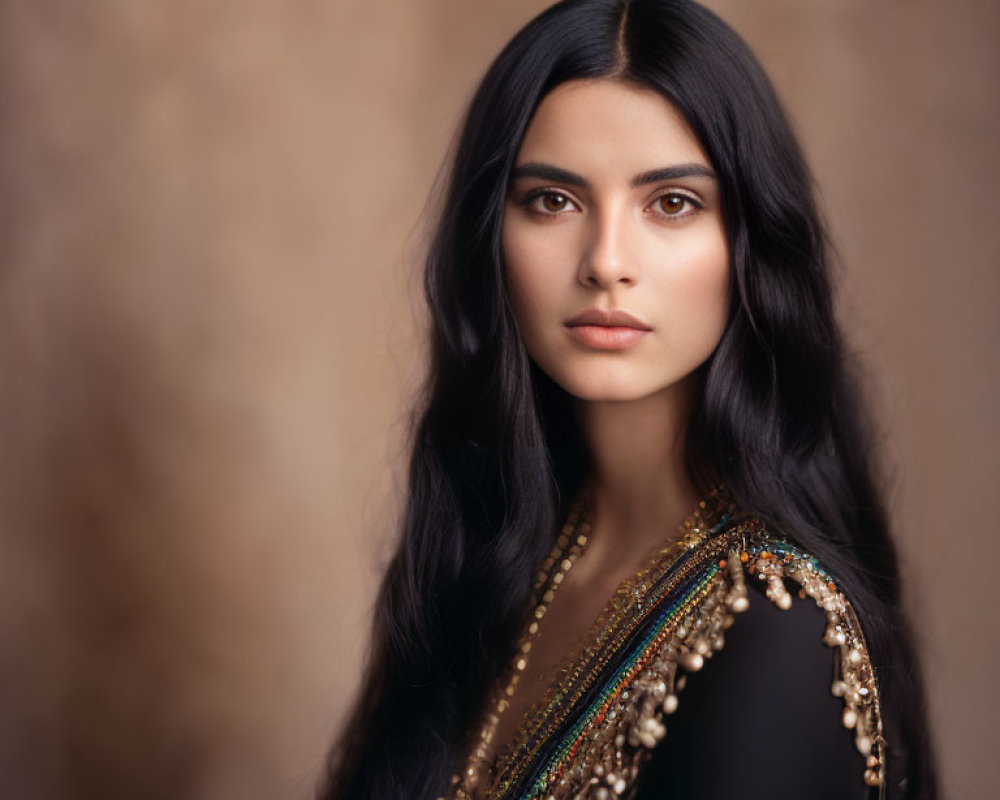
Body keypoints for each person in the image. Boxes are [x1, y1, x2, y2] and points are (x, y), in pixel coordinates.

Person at [321, 1, 937, 799]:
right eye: (553, 200)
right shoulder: (511, 553)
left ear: (751, 247)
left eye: (672, 204)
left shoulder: (777, 628)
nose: (606, 262)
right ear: (489, 239)